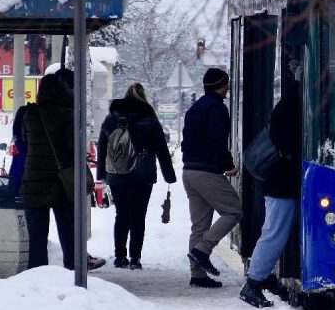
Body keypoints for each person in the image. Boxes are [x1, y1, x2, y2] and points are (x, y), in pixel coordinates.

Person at [20, 70, 104, 271]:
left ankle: (37, 278)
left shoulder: (30, 114)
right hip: (62, 183)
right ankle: (73, 274)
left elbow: (25, 140)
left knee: (37, 240)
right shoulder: (68, 115)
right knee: (69, 235)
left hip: (34, 182)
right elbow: (72, 148)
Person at [96, 82, 177, 270]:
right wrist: (169, 175)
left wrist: (102, 173)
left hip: (116, 173)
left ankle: (119, 257)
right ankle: (135, 258)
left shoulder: (112, 118)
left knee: (121, 214)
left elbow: (102, 145)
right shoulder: (149, 118)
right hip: (143, 173)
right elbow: (161, 149)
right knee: (138, 216)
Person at [240, 81, 301, 308]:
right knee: (274, 233)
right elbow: (284, 141)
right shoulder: (290, 107)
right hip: (282, 184)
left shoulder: (288, 105)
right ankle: (253, 284)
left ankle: (262, 278)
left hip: (285, 183)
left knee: (276, 232)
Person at [181, 67, 243, 288]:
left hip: (188, 171)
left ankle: (197, 275)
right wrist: (228, 165)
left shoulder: (194, 108)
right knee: (233, 210)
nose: (228, 88)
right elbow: (217, 139)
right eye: (226, 84)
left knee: (199, 225)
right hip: (206, 172)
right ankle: (202, 250)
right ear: (220, 85)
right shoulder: (217, 109)